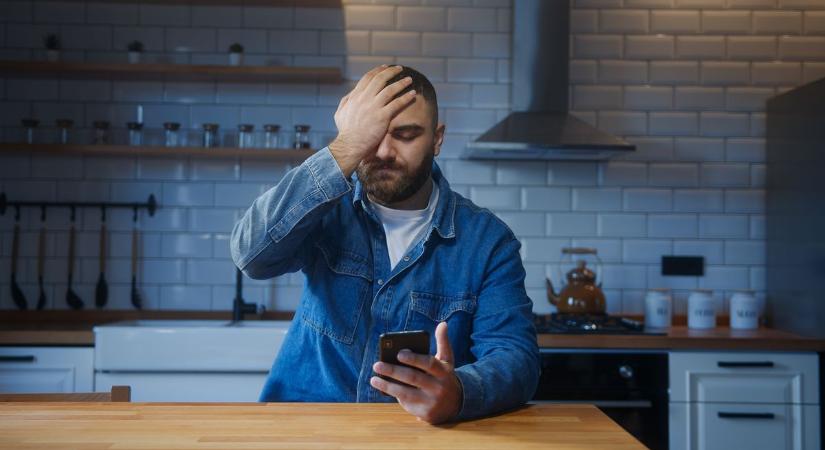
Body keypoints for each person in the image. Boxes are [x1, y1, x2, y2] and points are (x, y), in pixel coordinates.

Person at [230, 65, 539, 424]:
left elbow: (516, 358)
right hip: (304, 432)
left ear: (437, 139)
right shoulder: (326, 211)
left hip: (415, 439)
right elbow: (251, 256)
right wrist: (345, 146)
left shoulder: (488, 242)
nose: (383, 150)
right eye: (371, 135)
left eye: (406, 135)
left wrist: (458, 392)